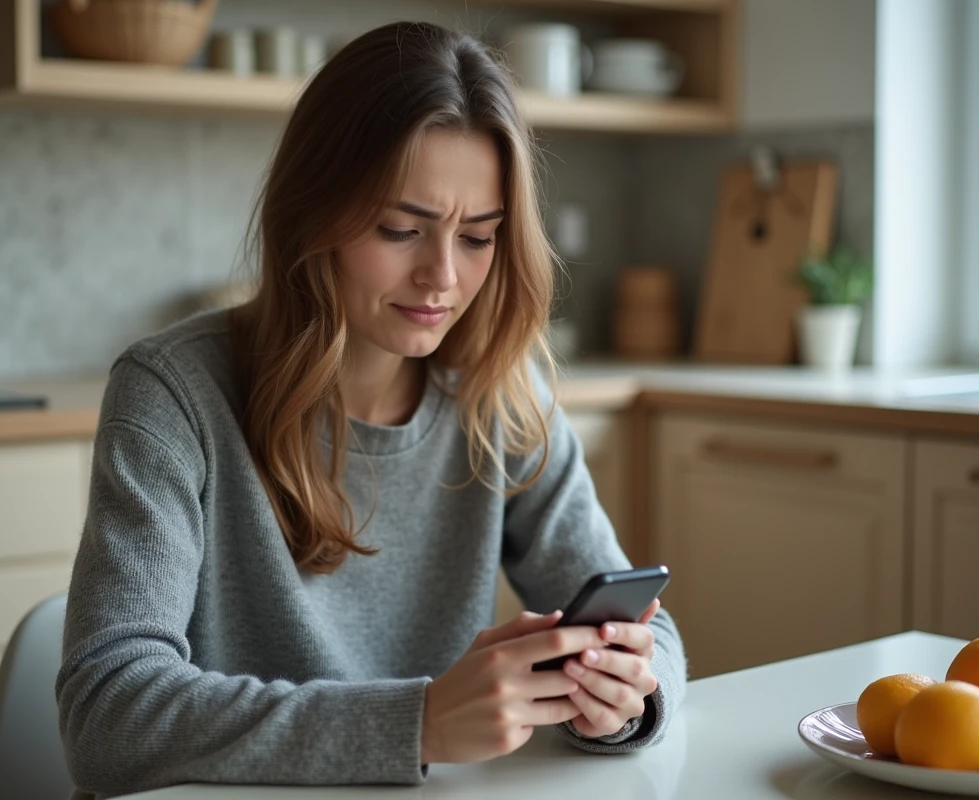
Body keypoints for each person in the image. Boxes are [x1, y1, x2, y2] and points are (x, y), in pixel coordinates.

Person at [56, 20, 687, 798]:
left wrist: (622, 700)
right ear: (311, 215)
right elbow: (108, 714)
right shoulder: (172, 395)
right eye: (400, 230)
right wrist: (417, 724)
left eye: (479, 238)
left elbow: (647, 628)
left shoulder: (500, 392)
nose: (442, 278)